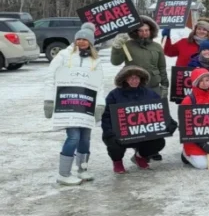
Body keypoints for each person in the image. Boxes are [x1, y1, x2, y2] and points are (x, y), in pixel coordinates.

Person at [44, 23, 104, 186]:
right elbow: (50, 77)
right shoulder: (64, 55)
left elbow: (99, 84)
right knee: (73, 137)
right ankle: (63, 174)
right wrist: (49, 100)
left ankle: (82, 169)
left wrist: (100, 105)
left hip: (86, 105)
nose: (81, 42)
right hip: (67, 103)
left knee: (85, 138)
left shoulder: (95, 60)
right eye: (79, 39)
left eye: (85, 39)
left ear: (90, 42)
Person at [102, 66, 176, 174]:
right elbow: (106, 116)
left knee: (159, 142)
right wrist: (109, 133)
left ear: (141, 79)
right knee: (114, 145)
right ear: (125, 79)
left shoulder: (150, 93)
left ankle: (140, 156)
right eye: (131, 78)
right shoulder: (114, 95)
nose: (134, 80)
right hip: (122, 133)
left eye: (137, 78)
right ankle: (117, 162)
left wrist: (169, 122)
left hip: (143, 133)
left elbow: (160, 110)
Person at [180, 68, 209, 169]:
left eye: (207, 80)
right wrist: (201, 144)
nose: (205, 83)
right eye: (201, 81)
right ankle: (185, 154)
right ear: (196, 82)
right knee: (202, 165)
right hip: (193, 141)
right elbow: (185, 126)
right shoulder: (188, 100)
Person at [110, 16, 168, 98]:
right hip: (133, 87)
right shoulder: (127, 45)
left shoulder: (157, 46)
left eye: (146, 30)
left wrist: (164, 86)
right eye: (141, 31)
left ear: (151, 30)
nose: (144, 33)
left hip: (153, 86)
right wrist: (116, 47)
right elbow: (115, 62)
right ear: (135, 32)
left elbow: (162, 68)